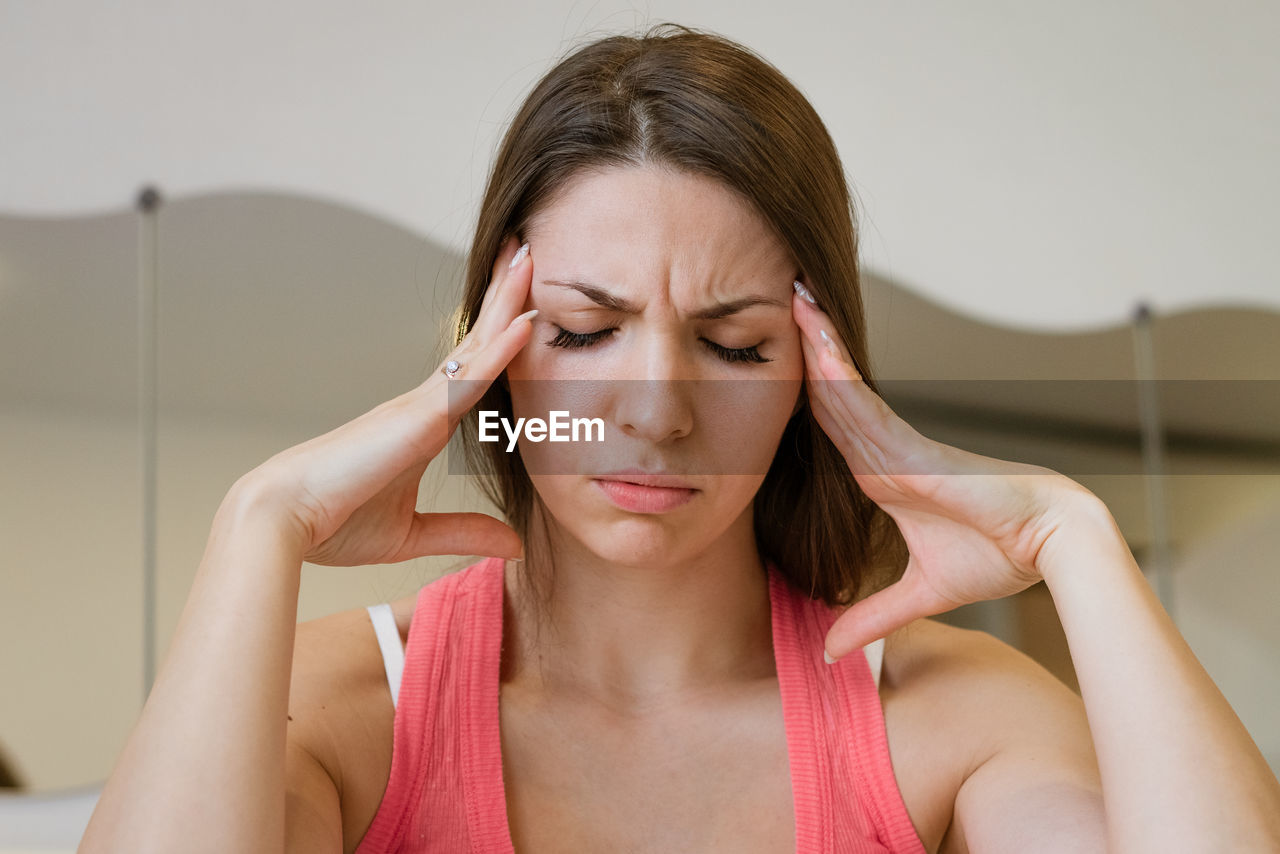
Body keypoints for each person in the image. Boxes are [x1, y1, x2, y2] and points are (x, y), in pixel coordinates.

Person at [80, 25, 1280, 854]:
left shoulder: (941, 709)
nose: (657, 415)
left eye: (737, 345)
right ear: (492, 349)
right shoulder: (349, 705)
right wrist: (260, 523)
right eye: (587, 329)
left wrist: (1070, 535)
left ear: (815, 368)